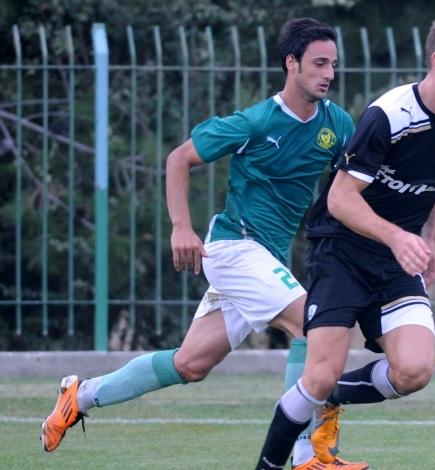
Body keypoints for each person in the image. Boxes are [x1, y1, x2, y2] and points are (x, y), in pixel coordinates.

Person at [39, 17, 367, 470]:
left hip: (264, 258)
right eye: (319, 63)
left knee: (190, 364)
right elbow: (179, 158)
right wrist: (181, 227)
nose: (329, 73)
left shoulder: (337, 123)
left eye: (333, 64)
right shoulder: (256, 121)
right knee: (315, 328)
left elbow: (350, 185)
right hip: (236, 248)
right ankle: (308, 455)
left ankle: (80, 396)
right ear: (291, 64)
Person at [254, 12, 435, 469]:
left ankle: (328, 401)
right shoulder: (390, 115)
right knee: (317, 377)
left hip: (396, 260)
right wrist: (398, 236)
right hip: (340, 252)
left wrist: (430, 239)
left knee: (414, 371)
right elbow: (340, 198)